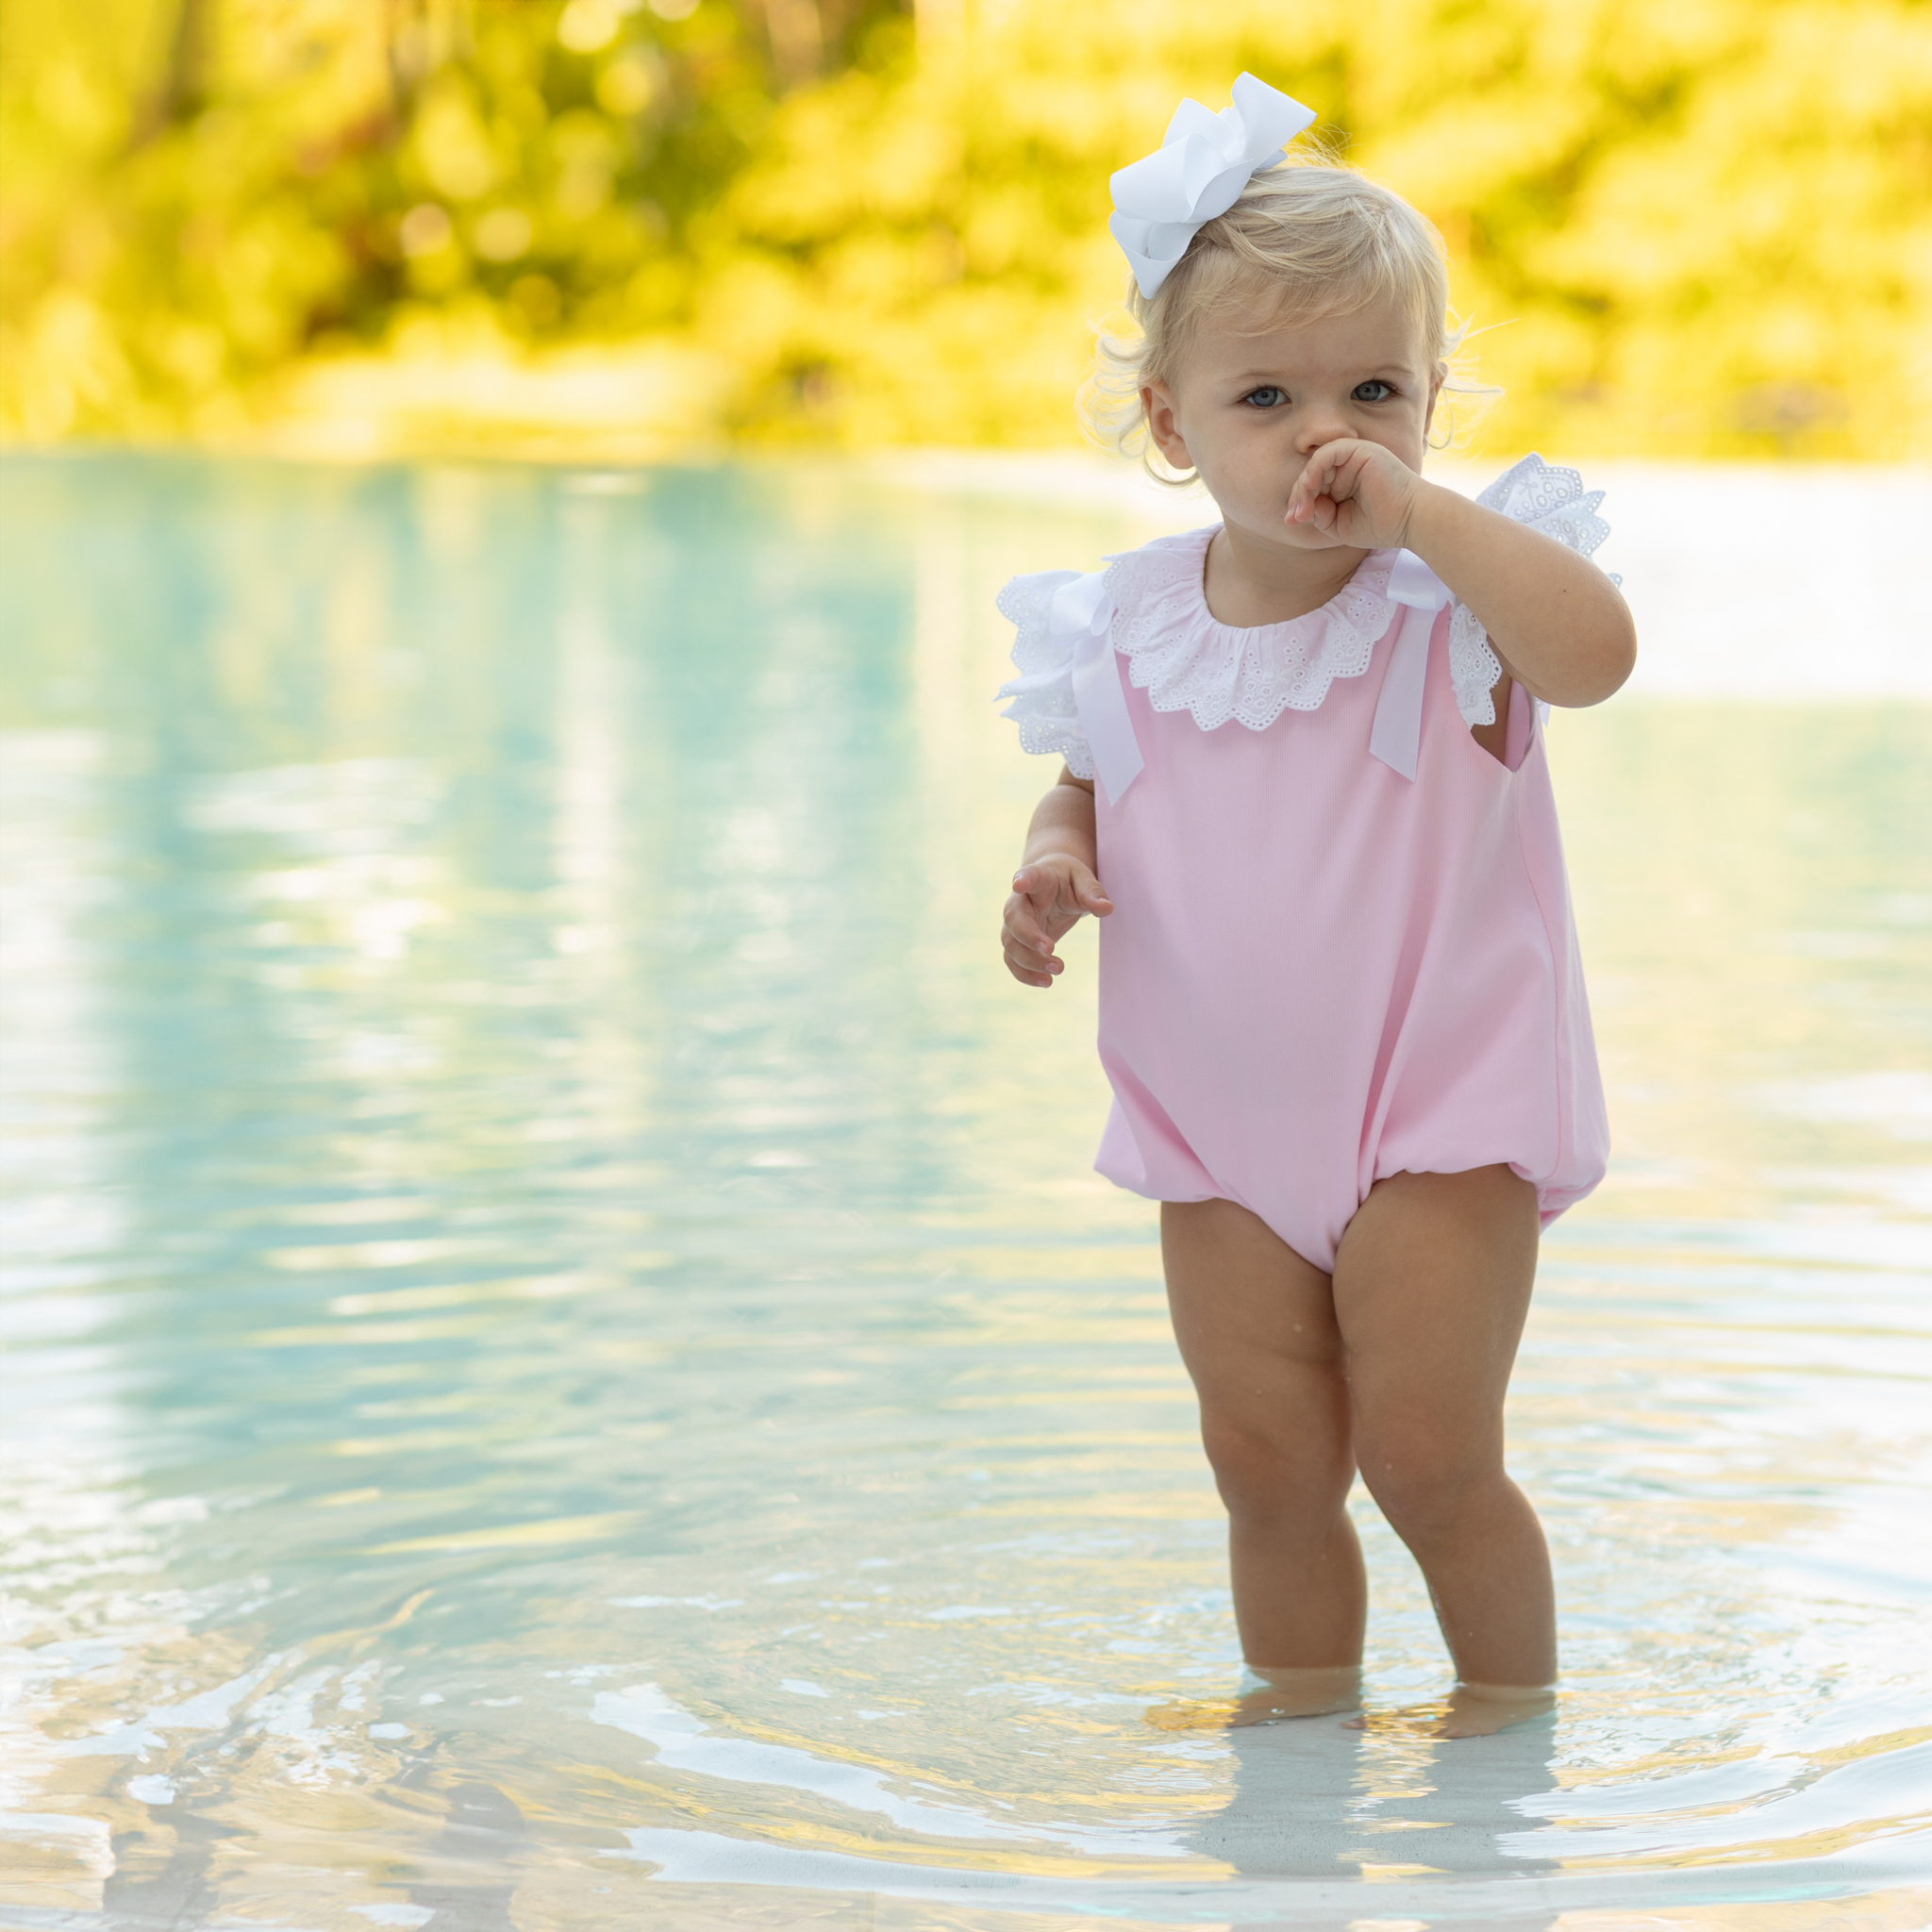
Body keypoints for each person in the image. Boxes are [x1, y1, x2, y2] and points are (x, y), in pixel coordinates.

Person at [996, 75, 1635, 1739]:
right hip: (1217, 1125)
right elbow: (1096, 773)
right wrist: (1057, 851)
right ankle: (1298, 1748)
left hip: (1439, 1101)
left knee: (1428, 1457)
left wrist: (1430, 515)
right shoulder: (1120, 624)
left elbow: (1599, 660)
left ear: (1431, 404)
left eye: (1375, 390)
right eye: (1266, 394)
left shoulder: (1456, 604)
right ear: (1170, 424)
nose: (1323, 434)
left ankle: (1509, 1747)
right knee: (1265, 1464)